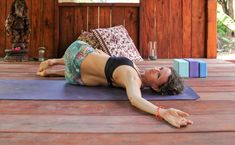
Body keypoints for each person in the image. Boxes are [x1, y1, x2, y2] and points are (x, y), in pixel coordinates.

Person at [37, 40, 193, 128]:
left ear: (155, 87)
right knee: (98, 56)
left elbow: (135, 99)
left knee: (92, 55)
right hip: (77, 78)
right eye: (160, 67)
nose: (154, 68)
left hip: (76, 54)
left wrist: (162, 112)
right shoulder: (135, 73)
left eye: (158, 74)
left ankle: (54, 62)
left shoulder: (131, 77)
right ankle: (55, 65)